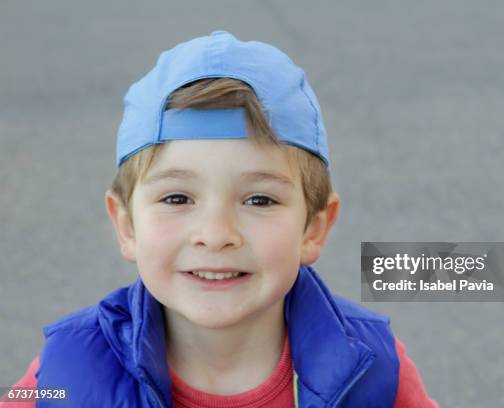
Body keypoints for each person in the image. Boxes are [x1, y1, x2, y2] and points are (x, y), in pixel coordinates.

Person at [1, 31, 438, 407]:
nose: (216, 235)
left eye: (260, 200)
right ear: (127, 225)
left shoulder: (377, 370)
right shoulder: (63, 371)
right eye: (177, 197)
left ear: (314, 228)